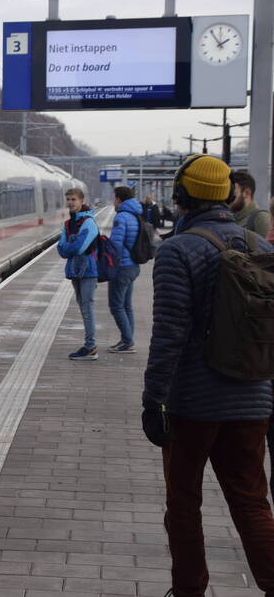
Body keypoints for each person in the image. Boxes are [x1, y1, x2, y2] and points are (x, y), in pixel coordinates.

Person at [142, 154, 274, 597]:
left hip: (193, 404)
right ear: (229, 194)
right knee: (252, 502)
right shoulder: (261, 246)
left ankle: (189, 590)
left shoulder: (178, 250)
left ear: (181, 194)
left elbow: (169, 334)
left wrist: (153, 399)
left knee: (184, 504)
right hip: (253, 399)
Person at [57, 187, 99, 360]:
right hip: (75, 271)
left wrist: (70, 246)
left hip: (88, 271)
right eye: (68, 199)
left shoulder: (89, 223)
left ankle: (91, 347)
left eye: (73, 199)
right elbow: (61, 250)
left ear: (82, 201)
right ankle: (89, 345)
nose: (70, 203)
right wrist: (70, 246)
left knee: (87, 308)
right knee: (83, 308)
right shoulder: (68, 224)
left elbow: (79, 248)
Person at [107, 186, 142, 353]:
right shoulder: (136, 215)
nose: (113, 202)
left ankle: (127, 342)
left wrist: (110, 265)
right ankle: (126, 339)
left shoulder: (121, 217)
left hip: (122, 267)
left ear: (119, 199)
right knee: (126, 306)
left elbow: (116, 245)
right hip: (133, 265)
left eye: (114, 198)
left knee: (116, 306)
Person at [229, 170, 271, 240]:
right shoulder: (232, 217)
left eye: (233, 194)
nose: (228, 198)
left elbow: (267, 246)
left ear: (247, 193)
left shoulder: (261, 218)